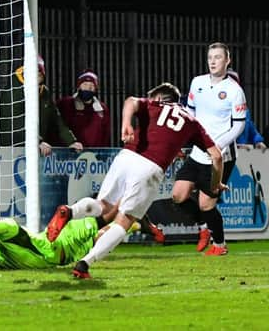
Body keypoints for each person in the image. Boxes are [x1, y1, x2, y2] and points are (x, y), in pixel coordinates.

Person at [47, 82, 225, 279]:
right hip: (150, 168)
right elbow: (217, 156)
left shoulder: (154, 106)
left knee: (103, 205)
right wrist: (215, 185)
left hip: (126, 157)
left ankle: (70, 211)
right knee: (124, 221)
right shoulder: (192, 122)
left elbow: (131, 101)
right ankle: (84, 264)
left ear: (160, 98)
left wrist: (127, 124)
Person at [171, 43, 246, 256]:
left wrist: (218, 145)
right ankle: (204, 228)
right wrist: (179, 141)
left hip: (220, 156)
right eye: (210, 57)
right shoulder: (198, 83)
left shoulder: (234, 90)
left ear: (227, 61)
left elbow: (239, 125)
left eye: (218, 57)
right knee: (178, 196)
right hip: (197, 152)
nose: (213, 61)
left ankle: (220, 245)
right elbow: (189, 114)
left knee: (206, 204)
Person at [0, 55, 82, 156]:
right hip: (6, 151)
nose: (35, 76)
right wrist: (37, 142)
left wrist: (71, 141)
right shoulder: (13, 91)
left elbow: (57, 120)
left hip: (33, 150)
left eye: (38, 73)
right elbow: (14, 123)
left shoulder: (45, 93)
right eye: (31, 72)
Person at [57, 69, 111, 147]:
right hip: (69, 155)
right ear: (79, 86)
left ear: (95, 88)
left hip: (94, 157)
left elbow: (106, 136)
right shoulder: (65, 104)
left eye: (91, 86)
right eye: (85, 84)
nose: (88, 88)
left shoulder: (102, 109)